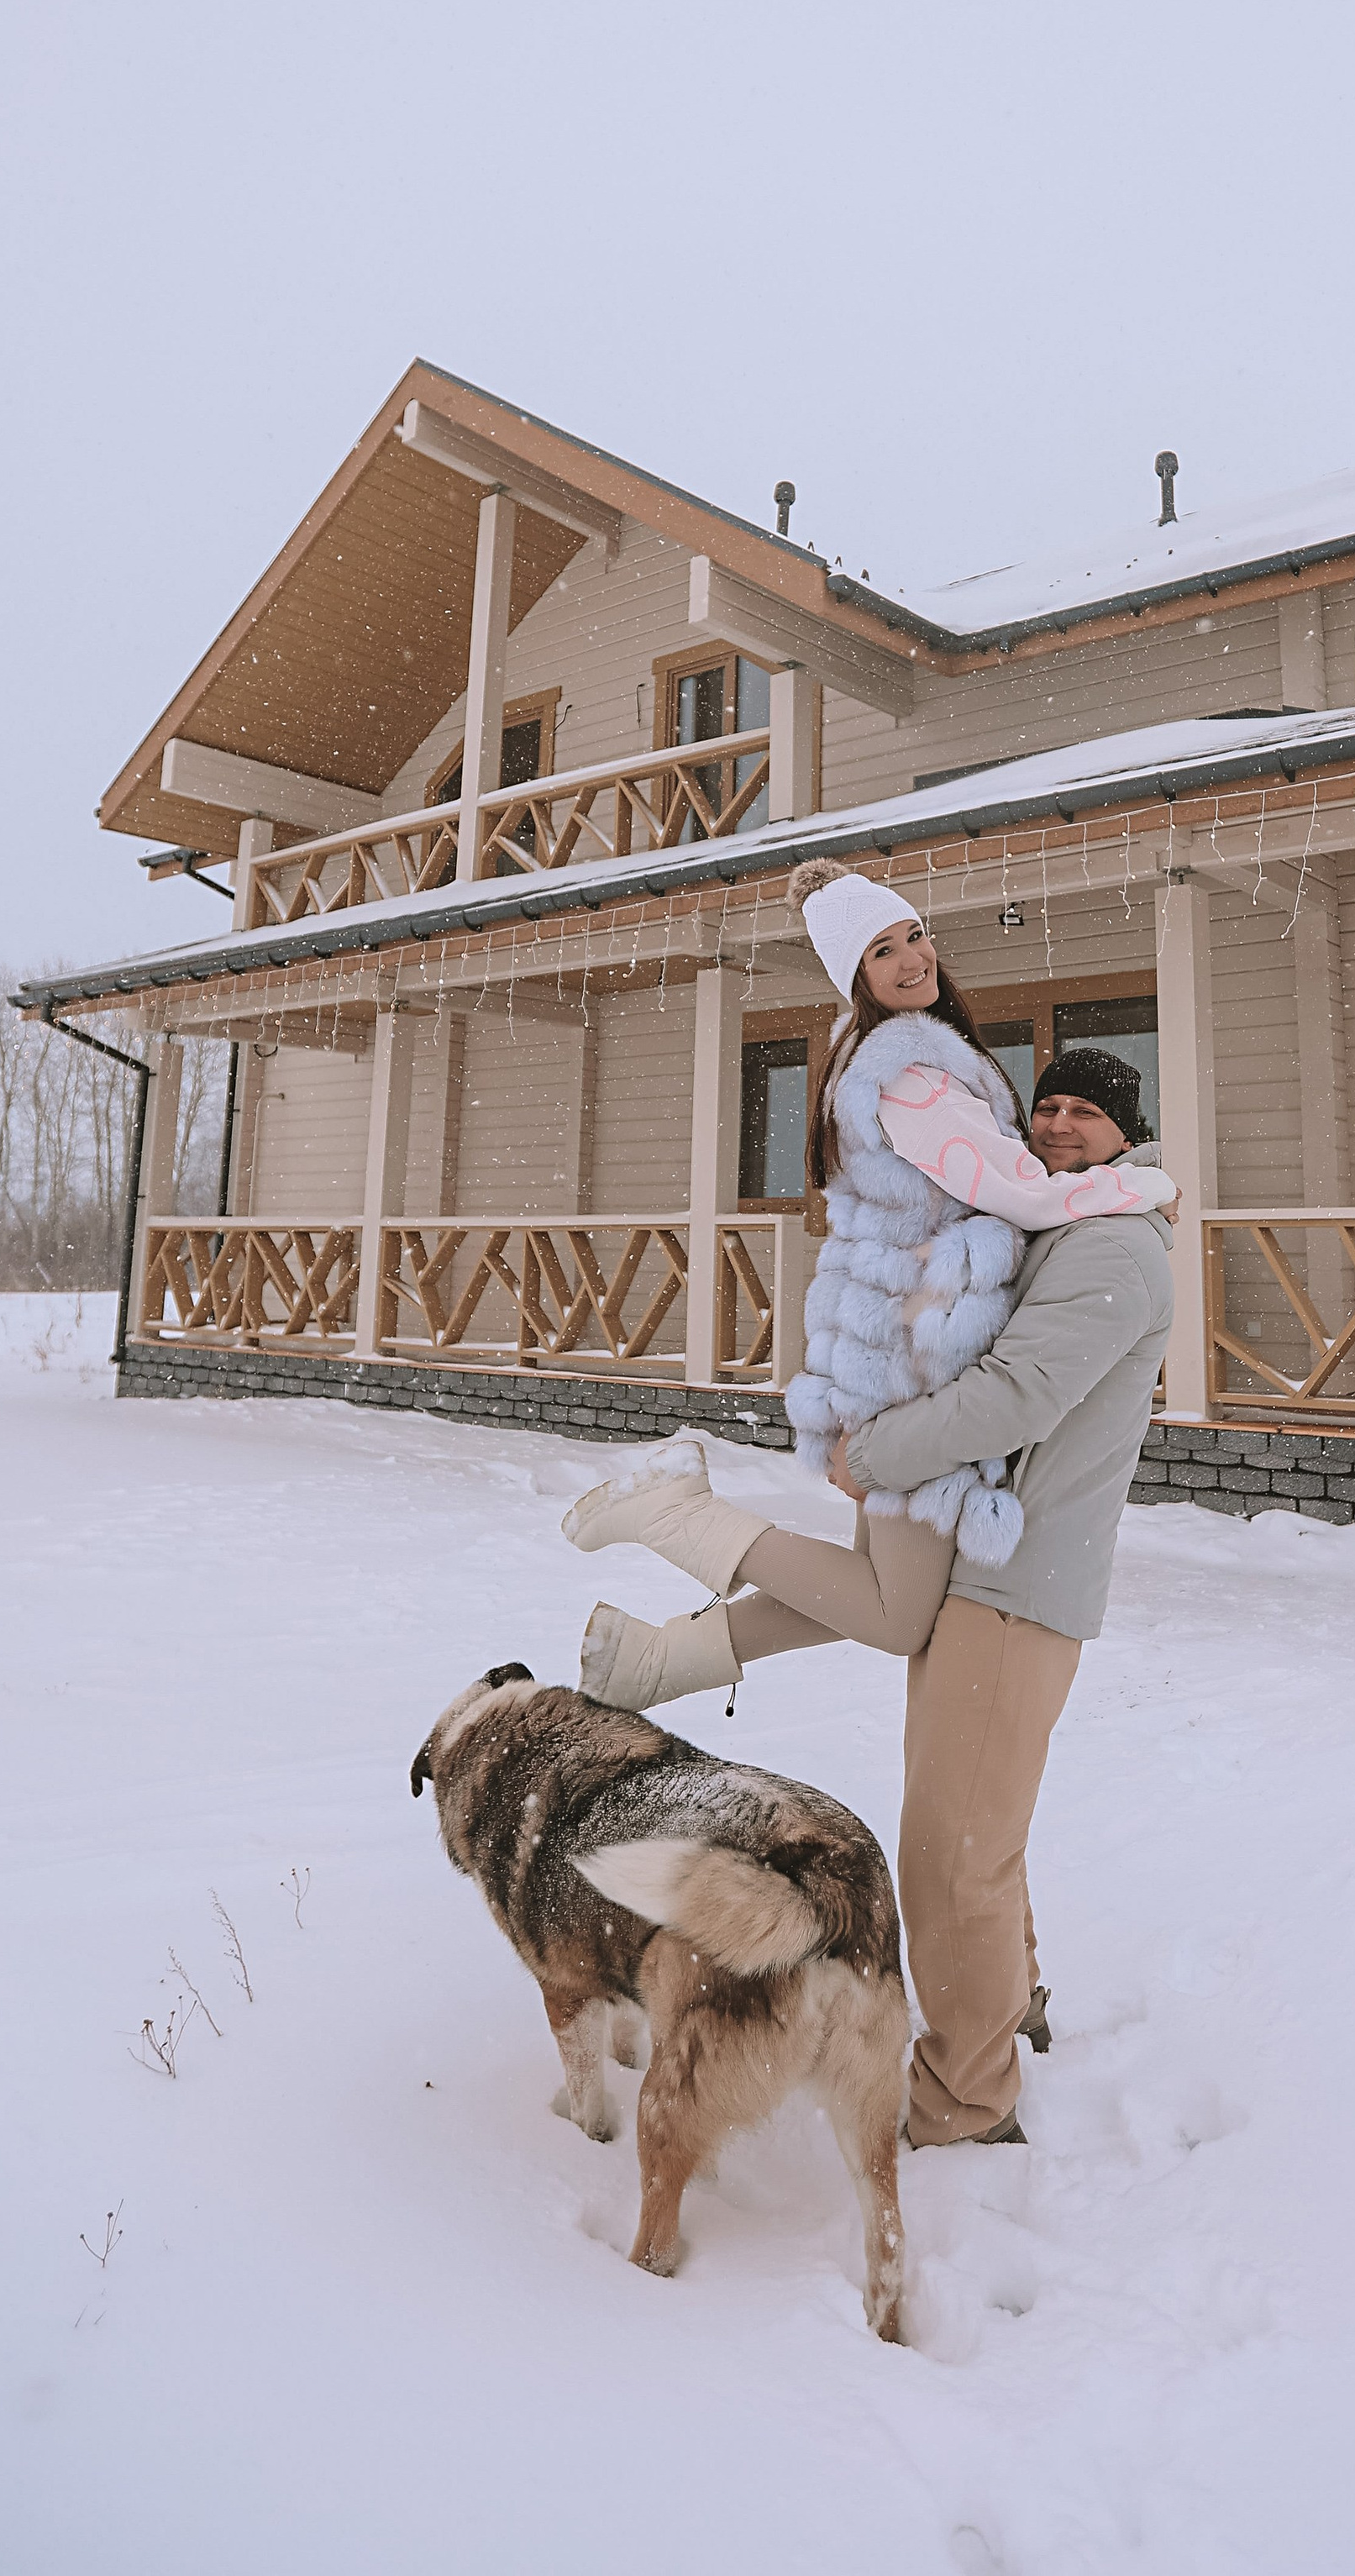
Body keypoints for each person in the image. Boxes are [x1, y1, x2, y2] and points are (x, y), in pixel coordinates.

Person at [569, 1002, 1175, 2153]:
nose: (1056, 1125)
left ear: (1127, 1133)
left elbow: (1018, 1396)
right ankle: (1012, 2007)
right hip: (985, 1555)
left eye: (1085, 1112)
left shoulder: (1109, 1249)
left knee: (953, 1859)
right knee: (975, 1833)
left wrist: (881, 1454)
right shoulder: (1061, 1223)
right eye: (1045, 1105)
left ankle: (965, 2099)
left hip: (1017, 1581)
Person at [562, 866, 1174, 1710]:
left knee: (874, 1585)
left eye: (914, 934)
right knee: (897, 1614)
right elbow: (1015, 1189)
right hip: (914, 1350)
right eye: (881, 951)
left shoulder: (908, 1055)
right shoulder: (910, 1075)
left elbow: (1002, 1178)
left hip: (903, 1336)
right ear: (856, 976)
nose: (911, 958)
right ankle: (679, 1515)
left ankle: (660, 1661)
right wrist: (1134, 1186)